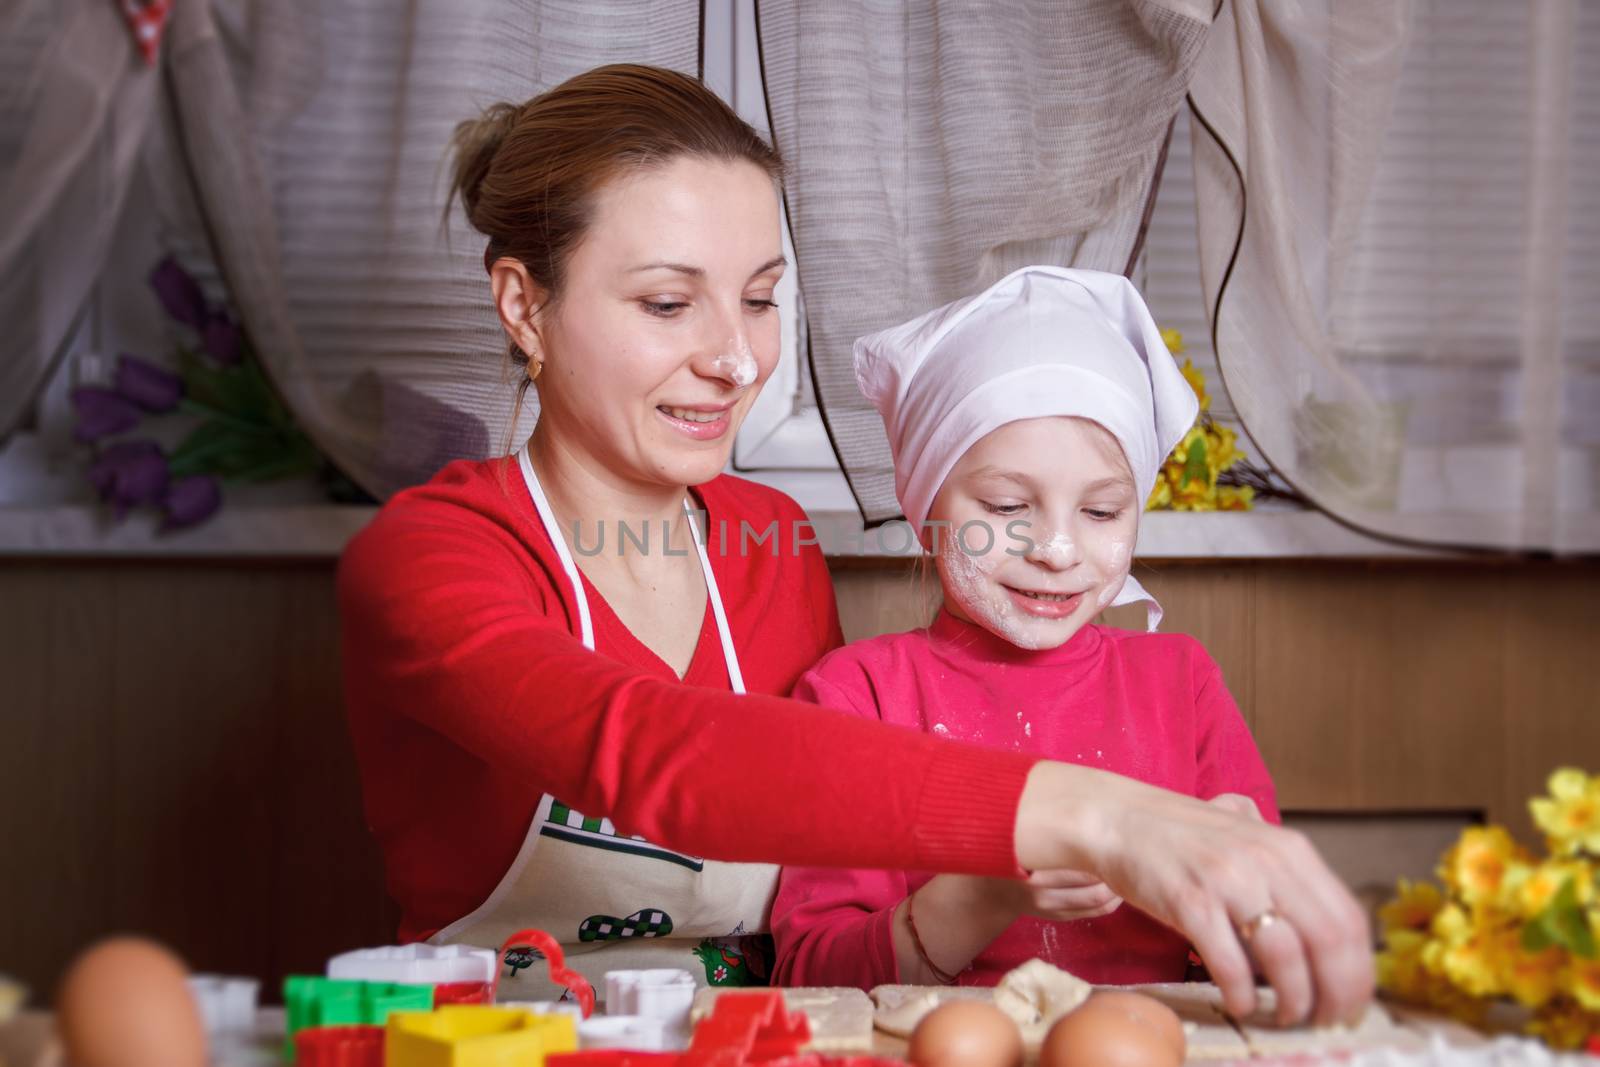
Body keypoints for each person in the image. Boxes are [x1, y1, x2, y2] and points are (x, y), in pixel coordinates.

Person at [336, 63, 1372, 1024]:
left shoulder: (768, 540)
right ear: (524, 304)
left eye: (758, 299)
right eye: (666, 302)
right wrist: (1092, 812)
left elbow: (812, 854)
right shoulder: (430, 554)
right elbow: (654, 752)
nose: (736, 360)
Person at [770, 266, 1277, 991]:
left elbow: (1269, 963)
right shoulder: (860, 697)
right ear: (925, 505)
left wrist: (1246, 898)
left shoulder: (1181, 683)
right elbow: (813, 977)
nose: (1058, 549)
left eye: (1101, 512)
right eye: (1008, 507)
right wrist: (987, 891)